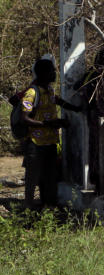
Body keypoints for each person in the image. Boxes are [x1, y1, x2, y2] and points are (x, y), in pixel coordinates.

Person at [20, 57, 72, 208]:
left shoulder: (49, 90)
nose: (54, 74)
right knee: (32, 178)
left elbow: (57, 101)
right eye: (52, 71)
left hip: (50, 142)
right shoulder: (31, 92)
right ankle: (28, 209)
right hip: (35, 144)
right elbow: (25, 118)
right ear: (42, 73)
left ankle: (48, 207)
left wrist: (75, 108)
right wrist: (47, 124)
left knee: (49, 178)